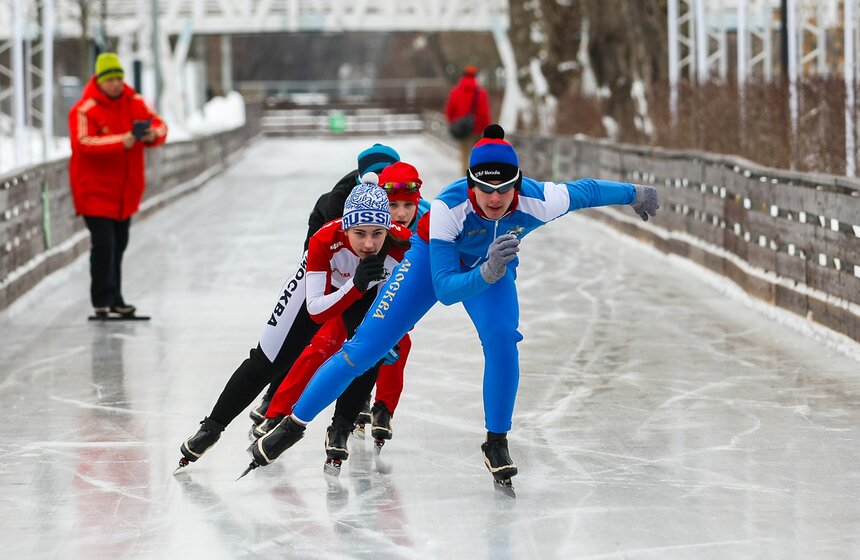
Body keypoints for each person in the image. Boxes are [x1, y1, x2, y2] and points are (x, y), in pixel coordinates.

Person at [246, 124, 660, 491]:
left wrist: (635, 194)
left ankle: (496, 441)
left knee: (503, 341)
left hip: (491, 266)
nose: (495, 199)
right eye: (485, 189)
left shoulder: (541, 199)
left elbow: (586, 191)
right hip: (431, 263)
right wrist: (488, 271)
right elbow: (445, 289)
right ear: (470, 183)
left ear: (518, 185)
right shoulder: (448, 208)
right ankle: (293, 425)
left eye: (504, 190)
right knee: (363, 349)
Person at [176, 144, 400, 470]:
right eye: (360, 233)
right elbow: (316, 311)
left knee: (368, 353)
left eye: (377, 234)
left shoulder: (399, 244)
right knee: (267, 360)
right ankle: (211, 428)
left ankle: (341, 427)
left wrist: (390, 330)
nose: (368, 243)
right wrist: (354, 285)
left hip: (363, 289)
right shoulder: (325, 238)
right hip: (322, 290)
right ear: (345, 227)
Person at [255, 162, 431, 452]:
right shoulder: (342, 207)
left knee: (394, 344)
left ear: (418, 203)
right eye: (393, 205)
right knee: (325, 343)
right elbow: (318, 253)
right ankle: (276, 409)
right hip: (345, 286)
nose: (401, 213)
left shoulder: (425, 224)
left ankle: (382, 409)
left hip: (386, 290)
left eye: (408, 205)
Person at [68, 52, 168, 318]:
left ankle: (115, 299)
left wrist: (151, 135)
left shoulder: (135, 102)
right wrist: (121, 141)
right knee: (105, 245)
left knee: (119, 244)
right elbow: (83, 143)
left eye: (118, 79)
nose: (115, 84)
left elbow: (161, 126)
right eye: (109, 79)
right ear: (99, 80)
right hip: (94, 193)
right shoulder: (85, 109)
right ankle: (102, 299)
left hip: (125, 193)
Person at [445, 65, 491, 172]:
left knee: (464, 156)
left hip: (462, 129)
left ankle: (465, 178)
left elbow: (449, 111)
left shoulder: (456, 92)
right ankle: (476, 176)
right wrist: (485, 129)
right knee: (477, 156)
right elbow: (484, 113)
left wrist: (455, 123)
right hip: (477, 130)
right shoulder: (481, 93)